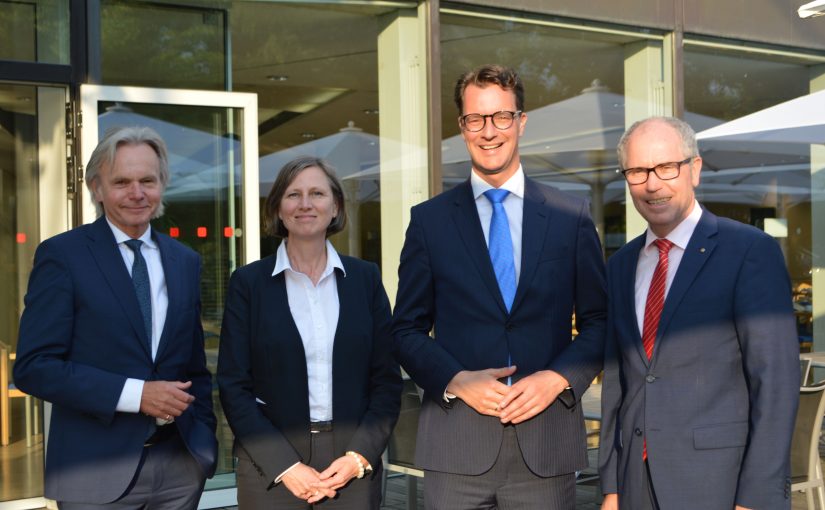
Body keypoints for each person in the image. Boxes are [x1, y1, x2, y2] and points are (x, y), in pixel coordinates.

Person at [392, 64, 607, 509]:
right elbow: (405, 330)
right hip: (456, 447)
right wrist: (455, 379)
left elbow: (599, 321)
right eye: (476, 119)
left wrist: (558, 378)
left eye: (501, 117)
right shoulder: (429, 222)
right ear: (462, 127)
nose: (489, 131)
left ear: (521, 122)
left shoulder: (572, 216)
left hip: (544, 451)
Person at [599, 116, 799, 510]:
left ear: (695, 169)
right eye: (638, 171)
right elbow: (617, 383)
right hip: (634, 485)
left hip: (718, 486)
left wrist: (756, 498)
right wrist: (611, 487)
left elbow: (774, 384)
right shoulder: (621, 265)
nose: (652, 183)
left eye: (666, 167)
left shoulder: (748, 251)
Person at [13, 126, 218, 509]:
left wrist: (203, 445)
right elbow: (33, 367)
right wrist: (136, 395)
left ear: (162, 185)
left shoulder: (184, 260)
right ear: (96, 188)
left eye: (147, 180)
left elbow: (194, 368)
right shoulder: (64, 256)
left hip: (179, 468)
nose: (137, 193)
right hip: (94, 473)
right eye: (121, 181)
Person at [217, 156, 401, 509]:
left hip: (351, 466)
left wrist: (359, 456)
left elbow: (387, 381)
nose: (305, 204)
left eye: (317, 193)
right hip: (270, 467)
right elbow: (232, 385)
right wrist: (284, 466)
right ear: (278, 209)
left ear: (335, 207)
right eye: (293, 194)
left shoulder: (365, 279)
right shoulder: (248, 283)